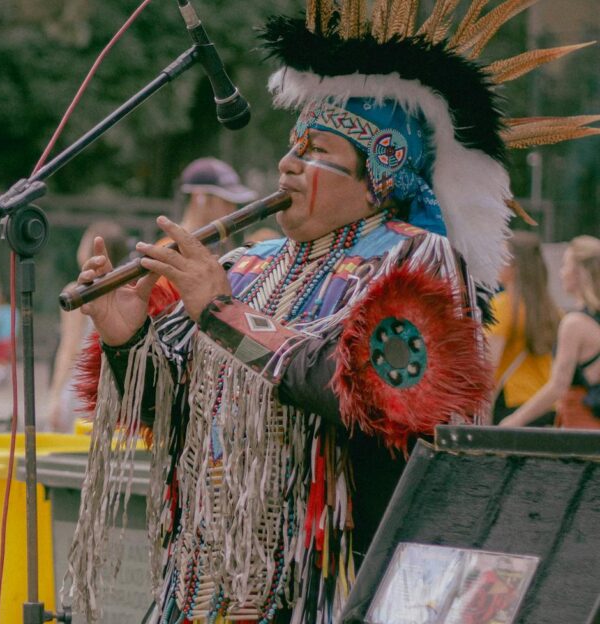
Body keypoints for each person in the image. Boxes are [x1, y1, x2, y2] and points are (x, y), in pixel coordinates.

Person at [64, 3, 597, 621]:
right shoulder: (246, 264)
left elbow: (369, 394)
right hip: (206, 581)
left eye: (316, 150)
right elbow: (175, 410)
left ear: (379, 176)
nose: (287, 163)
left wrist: (223, 313)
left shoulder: (418, 260)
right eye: (293, 145)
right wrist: (128, 339)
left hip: (329, 584)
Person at [500, 236, 600, 429]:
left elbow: (558, 385)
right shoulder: (588, 322)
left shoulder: (574, 324)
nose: (561, 273)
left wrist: (514, 421)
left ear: (579, 273)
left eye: (565, 265)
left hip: (581, 426)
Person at [45, 221, 129, 432]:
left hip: (81, 382)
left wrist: (55, 395)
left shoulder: (76, 292)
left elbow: (70, 347)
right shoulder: (125, 291)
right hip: (112, 383)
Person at [488, 232, 559, 425]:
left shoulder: (503, 306)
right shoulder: (552, 310)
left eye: (502, 257)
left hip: (511, 405)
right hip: (545, 405)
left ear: (516, 267)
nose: (497, 262)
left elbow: (490, 366)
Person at [178, 157, 257, 255]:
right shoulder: (174, 250)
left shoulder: (223, 244)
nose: (232, 209)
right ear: (200, 199)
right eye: (226, 201)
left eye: (234, 203)